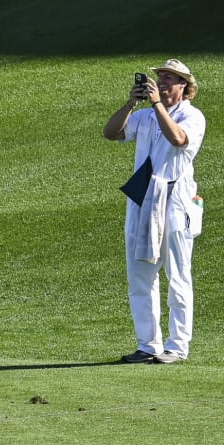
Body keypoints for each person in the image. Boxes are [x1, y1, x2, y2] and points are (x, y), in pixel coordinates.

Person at [103, 59, 206, 364]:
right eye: (159, 77)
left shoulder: (193, 116)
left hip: (175, 200)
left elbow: (178, 139)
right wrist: (130, 104)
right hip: (142, 198)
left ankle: (177, 347)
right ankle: (148, 345)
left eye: (169, 78)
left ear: (184, 86)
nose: (161, 82)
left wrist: (158, 105)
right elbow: (110, 133)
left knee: (177, 276)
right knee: (140, 276)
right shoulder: (145, 115)